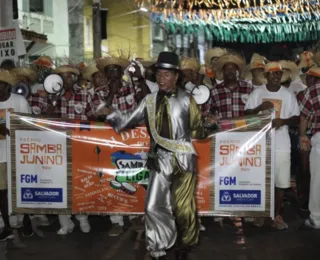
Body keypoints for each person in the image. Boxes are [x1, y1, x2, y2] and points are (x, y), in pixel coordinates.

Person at [99, 52, 215, 260]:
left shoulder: (188, 100)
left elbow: (199, 132)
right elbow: (126, 122)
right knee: (153, 205)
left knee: (183, 207)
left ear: (176, 77)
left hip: (183, 159)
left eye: (167, 75)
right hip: (160, 159)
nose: (162, 78)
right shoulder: (149, 101)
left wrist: (210, 124)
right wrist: (109, 113)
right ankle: (159, 244)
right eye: (159, 74)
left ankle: (186, 244)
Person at [245, 62, 300, 230]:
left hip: (282, 144)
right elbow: (246, 114)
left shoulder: (288, 94)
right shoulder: (258, 92)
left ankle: (276, 216)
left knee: (281, 184)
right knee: (260, 182)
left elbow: (296, 118)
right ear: (266, 75)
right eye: (273, 73)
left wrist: (283, 121)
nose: (276, 76)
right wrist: (260, 107)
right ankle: (260, 214)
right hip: (261, 144)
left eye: (279, 74)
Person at [47, 65, 92, 235]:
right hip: (58, 145)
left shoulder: (83, 94)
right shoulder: (52, 95)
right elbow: (45, 117)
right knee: (60, 183)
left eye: (68, 77)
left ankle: (82, 218)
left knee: (79, 182)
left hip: (80, 144)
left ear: (73, 79)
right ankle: (65, 222)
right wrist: (52, 101)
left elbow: (93, 118)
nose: (65, 80)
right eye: (62, 76)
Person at [0, 70, 32, 241]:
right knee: (2, 192)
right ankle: (7, 226)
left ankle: (26, 218)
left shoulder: (19, 100)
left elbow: (30, 123)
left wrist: (14, 128)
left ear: (8, 86)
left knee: (22, 188)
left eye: (2, 85)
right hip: (0, 156)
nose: (0, 89)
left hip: (19, 152)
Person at [299, 66, 320, 228]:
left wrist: (303, 136)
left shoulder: (313, 91)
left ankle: (317, 218)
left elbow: (304, 116)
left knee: (317, 180)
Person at [205, 52, 253, 118]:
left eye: (232, 68)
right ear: (223, 71)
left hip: (244, 127)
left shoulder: (248, 88)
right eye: (227, 69)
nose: (230, 71)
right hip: (223, 128)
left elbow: (254, 110)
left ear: (237, 70)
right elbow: (209, 112)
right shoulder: (215, 91)